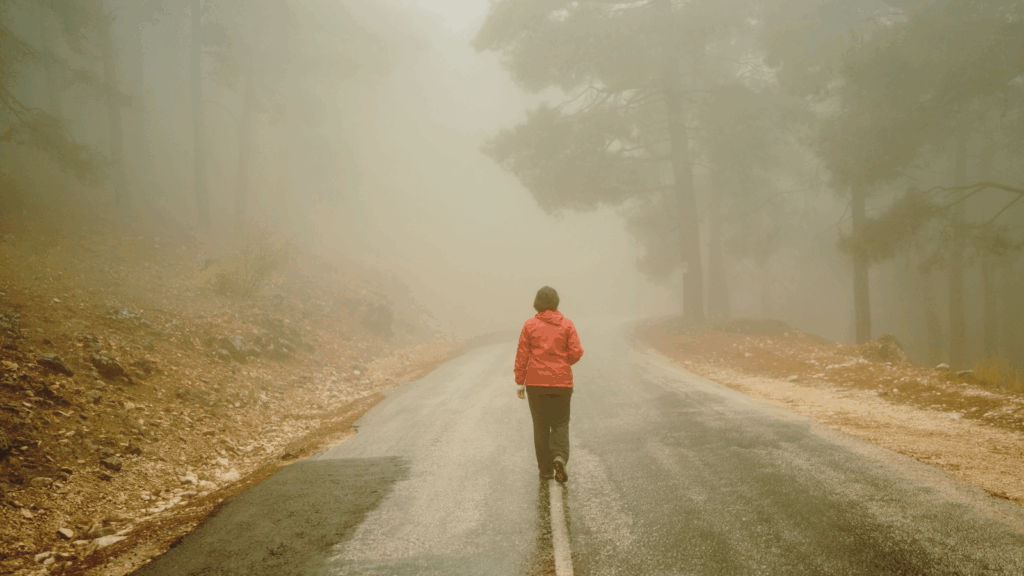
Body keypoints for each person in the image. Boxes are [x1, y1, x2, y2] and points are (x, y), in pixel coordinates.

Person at [515, 286, 584, 483]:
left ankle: (545, 471)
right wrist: (563, 363)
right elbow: (577, 351)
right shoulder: (567, 325)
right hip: (562, 384)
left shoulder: (529, 326)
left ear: (537, 302)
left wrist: (520, 381)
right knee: (561, 423)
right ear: (556, 302)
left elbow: (522, 355)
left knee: (541, 425)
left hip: (536, 385)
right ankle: (560, 457)